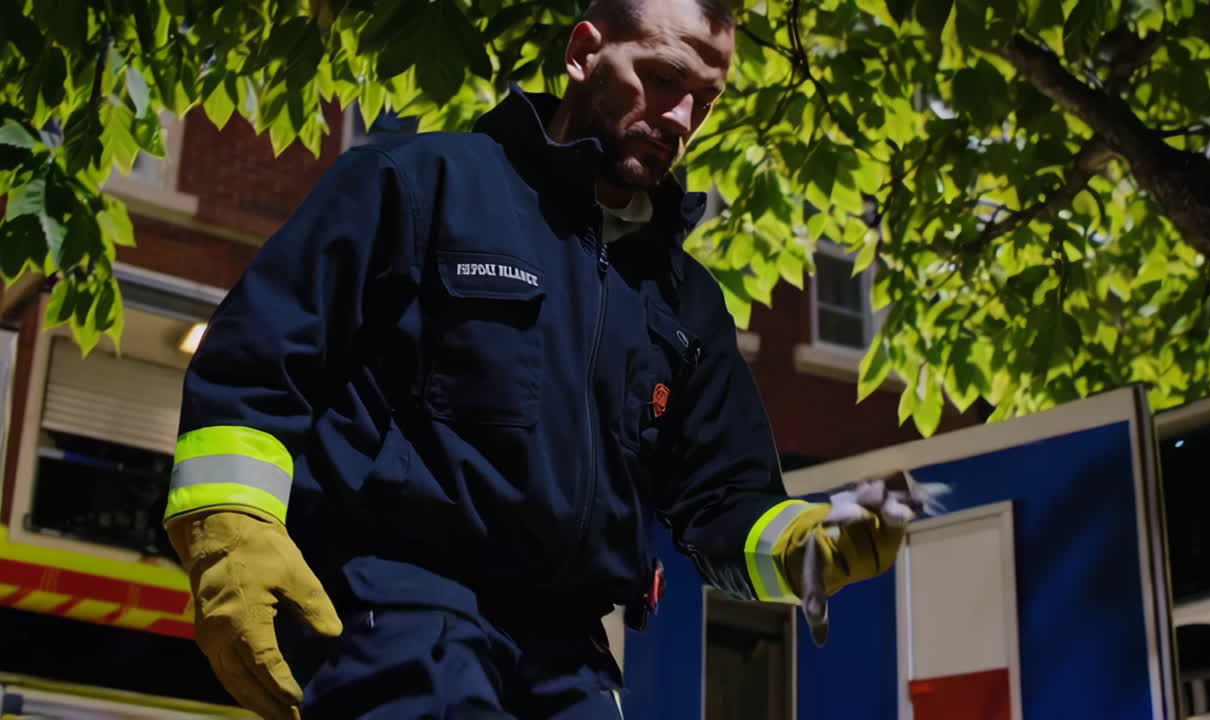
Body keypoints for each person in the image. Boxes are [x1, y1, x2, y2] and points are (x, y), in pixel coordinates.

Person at [162, 1, 907, 717]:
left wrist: (808, 541)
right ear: (584, 53)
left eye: (705, 100)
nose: (681, 118)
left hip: (571, 653)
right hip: (399, 608)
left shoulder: (685, 302)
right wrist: (230, 528)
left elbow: (724, 503)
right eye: (664, 79)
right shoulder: (419, 185)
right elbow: (257, 364)